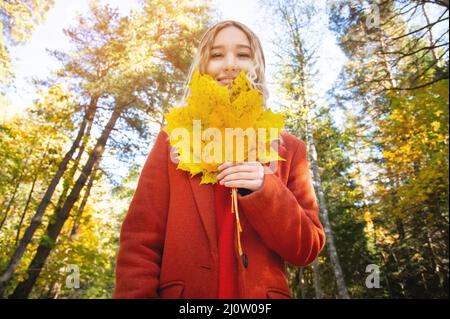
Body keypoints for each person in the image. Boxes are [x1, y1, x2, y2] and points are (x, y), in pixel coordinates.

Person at [113, 20, 326, 299]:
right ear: (202, 66)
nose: (229, 64)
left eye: (242, 54)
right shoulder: (172, 140)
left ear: (257, 65)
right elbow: (139, 243)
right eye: (216, 55)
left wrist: (266, 189)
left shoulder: (288, 149)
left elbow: (306, 248)